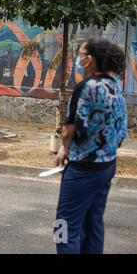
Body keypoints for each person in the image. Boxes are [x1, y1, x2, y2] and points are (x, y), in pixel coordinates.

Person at [54, 38, 128, 254]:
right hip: (106, 165)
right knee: (93, 222)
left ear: (90, 60)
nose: (78, 59)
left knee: (64, 225)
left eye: (81, 55)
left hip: (82, 168)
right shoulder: (115, 86)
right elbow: (121, 130)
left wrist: (64, 148)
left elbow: (70, 128)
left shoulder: (85, 87)